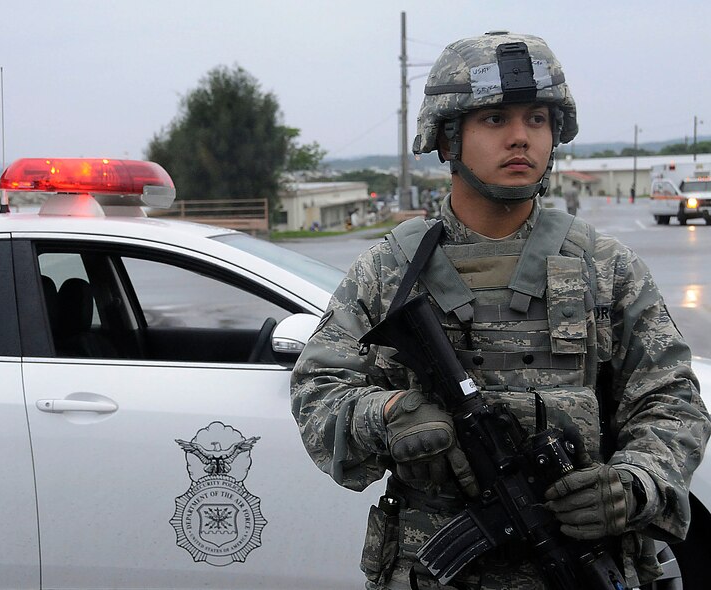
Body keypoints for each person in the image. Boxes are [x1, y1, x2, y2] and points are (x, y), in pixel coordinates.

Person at [290, 31, 710, 590]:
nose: (520, 137)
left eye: (537, 119)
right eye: (494, 119)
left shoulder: (606, 268)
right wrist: (388, 413)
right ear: (447, 138)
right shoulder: (389, 270)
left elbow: (673, 402)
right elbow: (318, 390)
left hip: (582, 566)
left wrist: (634, 482)